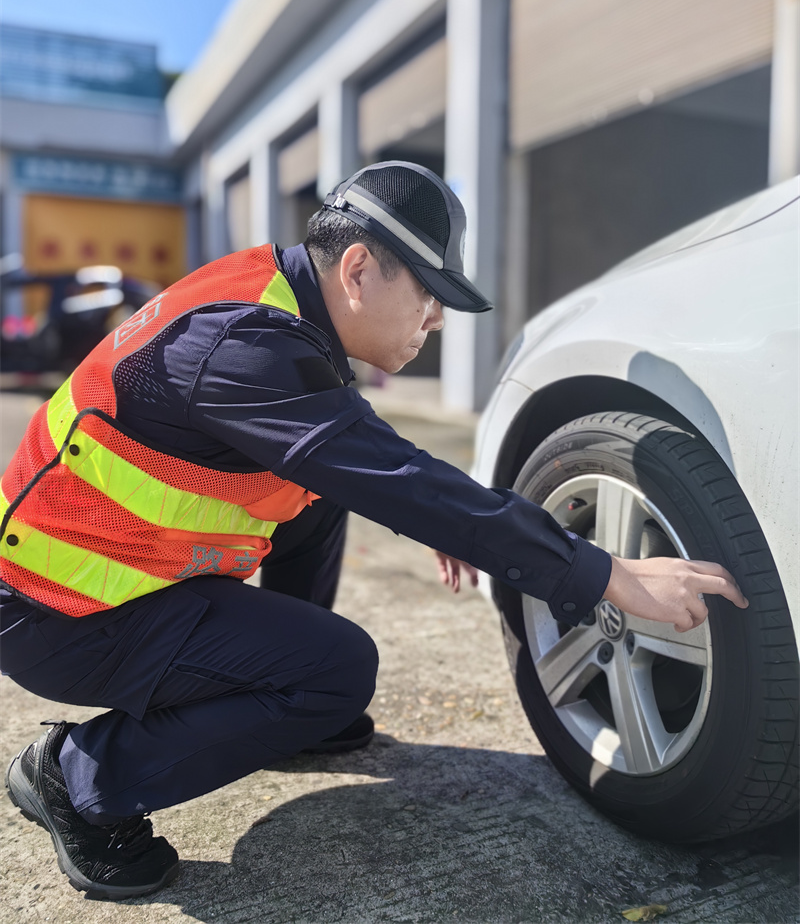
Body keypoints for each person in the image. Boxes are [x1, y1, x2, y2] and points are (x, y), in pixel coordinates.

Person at [0, 161, 748, 901]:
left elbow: (357, 449)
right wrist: (603, 573)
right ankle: (75, 775)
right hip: (60, 609)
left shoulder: (272, 295)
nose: (436, 321)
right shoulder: (246, 349)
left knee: (318, 489)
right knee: (340, 670)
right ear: (358, 269)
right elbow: (388, 470)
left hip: (103, 573)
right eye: (428, 293)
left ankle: (277, 690)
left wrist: (433, 507)